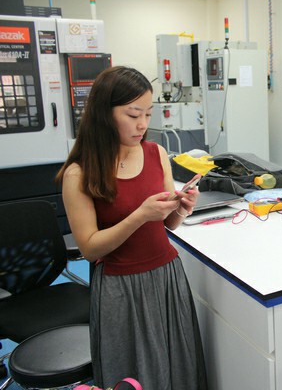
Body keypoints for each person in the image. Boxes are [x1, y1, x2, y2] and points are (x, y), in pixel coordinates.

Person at [56, 66, 208, 389]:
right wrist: (139, 215)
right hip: (120, 288)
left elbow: (166, 224)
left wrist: (181, 208)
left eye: (148, 114)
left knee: (177, 369)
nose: (143, 124)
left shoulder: (157, 153)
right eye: (133, 114)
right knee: (131, 374)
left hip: (166, 277)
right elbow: (89, 248)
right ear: (104, 113)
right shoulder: (79, 173)